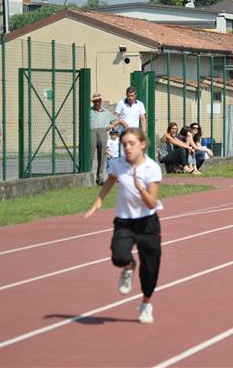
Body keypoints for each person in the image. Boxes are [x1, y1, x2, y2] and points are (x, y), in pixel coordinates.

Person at [85, 127, 162, 324]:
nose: (127, 148)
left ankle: (146, 304)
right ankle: (129, 266)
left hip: (147, 223)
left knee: (150, 269)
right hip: (124, 221)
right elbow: (111, 179)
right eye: (124, 144)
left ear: (142, 144)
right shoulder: (119, 164)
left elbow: (152, 203)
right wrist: (99, 199)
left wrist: (139, 188)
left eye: (131, 144)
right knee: (119, 256)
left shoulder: (152, 168)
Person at [90, 92, 115, 185]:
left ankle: (100, 178)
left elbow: (116, 120)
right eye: (95, 101)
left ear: (101, 101)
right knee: (90, 155)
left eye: (99, 101)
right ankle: (89, 177)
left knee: (102, 156)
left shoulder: (106, 112)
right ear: (93, 102)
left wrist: (111, 126)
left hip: (103, 132)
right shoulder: (89, 111)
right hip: (92, 132)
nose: (97, 103)